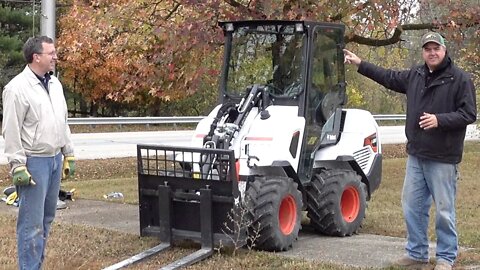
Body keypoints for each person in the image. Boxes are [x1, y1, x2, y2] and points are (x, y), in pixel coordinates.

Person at [343, 32, 477, 270]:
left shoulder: (460, 79)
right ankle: (417, 253)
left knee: (444, 211)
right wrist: (360, 63)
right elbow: (388, 77)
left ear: (444, 50)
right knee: (412, 207)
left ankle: (446, 257)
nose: (432, 52)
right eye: (428, 49)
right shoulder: (415, 75)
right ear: (423, 52)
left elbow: (468, 114)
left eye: (436, 48)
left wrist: (439, 120)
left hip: (443, 158)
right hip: (416, 155)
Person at [2, 36, 75, 270]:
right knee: (31, 224)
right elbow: (10, 130)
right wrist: (17, 165)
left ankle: (36, 266)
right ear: (36, 57)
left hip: (54, 160)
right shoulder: (16, 88)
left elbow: (63, 121)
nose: (55, 57)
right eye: (51, 53)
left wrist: (68, 153)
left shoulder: (55, 84)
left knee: (46, 220)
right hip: (34, 164)